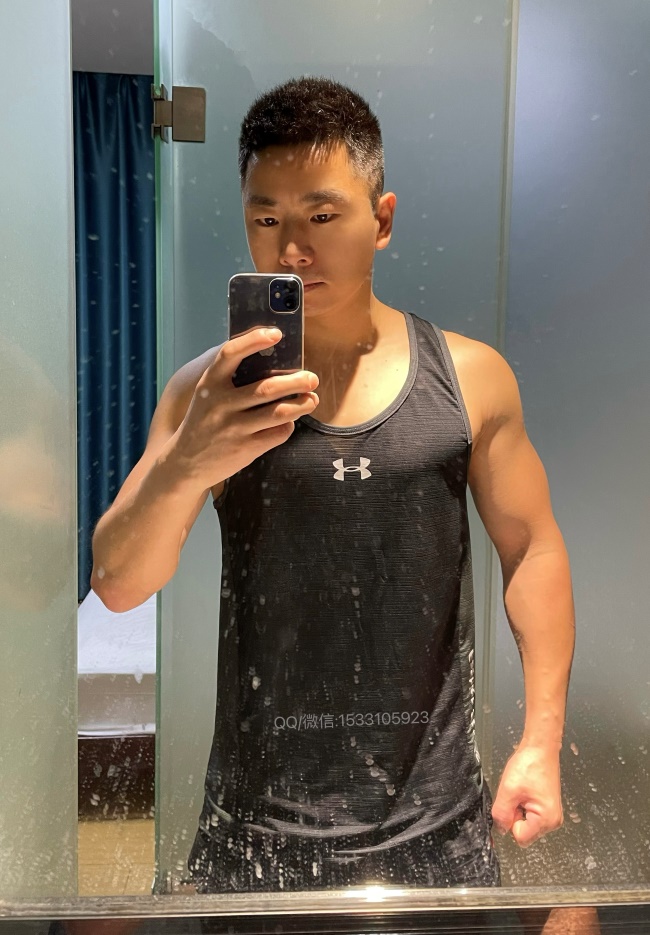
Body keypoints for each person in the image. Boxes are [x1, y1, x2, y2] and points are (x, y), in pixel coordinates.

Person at [91, 77, 599, 933]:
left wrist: (541, 740)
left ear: (382, 219)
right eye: (266, 217)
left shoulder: (470, 377)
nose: (292, 249)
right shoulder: (204, 395)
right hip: (255, 837)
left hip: (436, 828)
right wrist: (188, 461)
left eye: (322, 216)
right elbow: (117, 582)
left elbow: (533, 549)